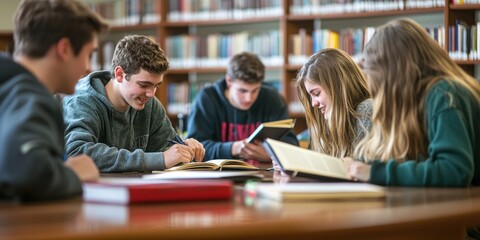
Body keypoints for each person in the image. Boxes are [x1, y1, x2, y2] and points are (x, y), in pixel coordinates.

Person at [346, 18, 480, 187]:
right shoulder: (421, 99)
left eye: (377, 79)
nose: (377, 91)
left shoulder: (444, 94)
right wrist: (363, 166)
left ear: (394, 75)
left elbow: (453, 170)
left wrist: (374, 172)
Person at [0, 0, 108, 201]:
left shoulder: (8, 86)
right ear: (65, 49)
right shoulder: (29, 96)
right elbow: (26, 174)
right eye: (89, 54)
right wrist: (74, 174)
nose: (89, 68)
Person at [63, 35, 205, 172]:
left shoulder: (150, 105)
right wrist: (158, 159)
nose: (151, 94)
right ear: (119, 74)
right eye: (144, 85)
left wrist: (186, 150)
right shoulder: (82, 101)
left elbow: (167, 150)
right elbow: (77, 152)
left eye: (156, 86)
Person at [187, 52, 298, 162]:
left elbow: (291, 143)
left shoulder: (273, 99)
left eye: (255, 90)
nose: (248, 98)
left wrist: (271, 154)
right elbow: (194, 148)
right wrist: (232, 149)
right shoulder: (207, 99)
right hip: (217, 176)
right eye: (242, 91)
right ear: (229, 81)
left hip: (264, 175)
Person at [294, 48, 372, 158]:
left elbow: (362, 169)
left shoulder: (367, 109)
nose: (313, 104)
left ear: (338, 88)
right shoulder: (324, 120)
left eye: (317, 93)